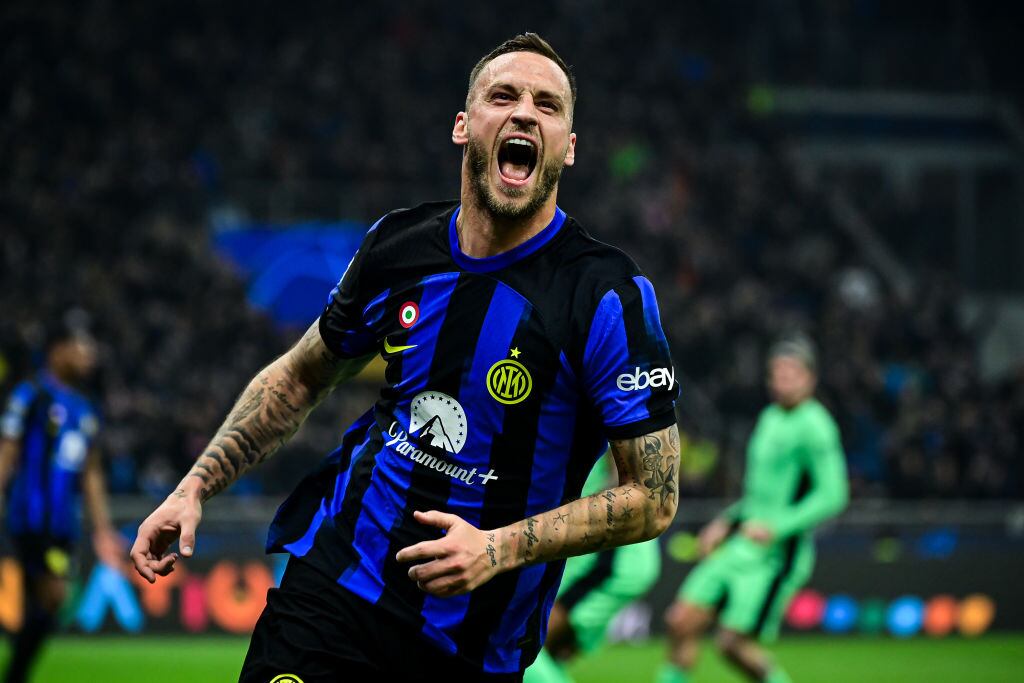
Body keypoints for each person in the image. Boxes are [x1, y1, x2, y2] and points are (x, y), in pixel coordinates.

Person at [131, 33, 681, 683]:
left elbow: (655, 494)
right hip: (335, 591)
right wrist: (194, 486)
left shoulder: (607, 294)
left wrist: (498, 547)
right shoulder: (398, 245)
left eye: (548, 104)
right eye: (502, 95)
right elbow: (301, 375)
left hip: (471, 646)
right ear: (463, 125)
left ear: (568, 146)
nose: (524, 112)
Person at [657, 336, 849, 683]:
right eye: (777, 372)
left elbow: (833, 495)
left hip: (775, 553)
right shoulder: (770, 417)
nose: (783, 379)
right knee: (680, 622)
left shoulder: (816, 426)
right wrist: (725, 523)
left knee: (732, 644)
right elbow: (760, 495)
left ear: (810, 378)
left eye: (792, 372)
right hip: (740, 542)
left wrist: (777, 527)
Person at [0, 320, 123, 683]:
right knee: (52, 598)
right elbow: (7, 450)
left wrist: (102, 530)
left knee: (44, 607)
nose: (90, 355)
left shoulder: (85, 409)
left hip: (62, 524)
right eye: (81, 346)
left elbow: (92, 473)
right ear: (58, 350)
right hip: (31, 519)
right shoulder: (31, 396)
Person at [524, 452, 661, 683]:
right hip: (599, 550)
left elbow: (627, 476)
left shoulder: (615, 420)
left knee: (526, 642)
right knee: (547, 653)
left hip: (610, 554)